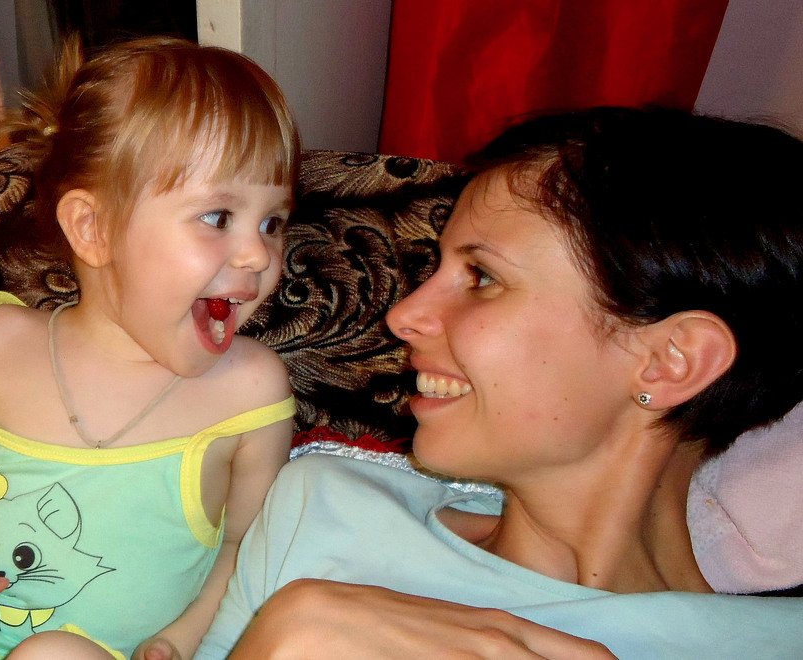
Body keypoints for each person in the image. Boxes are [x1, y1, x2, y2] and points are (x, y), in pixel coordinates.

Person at [196, 106, 803, 658]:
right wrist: (289, 633)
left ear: (670, 361)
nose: (403, 316)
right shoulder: (324, 506)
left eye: (481, 277)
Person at [0, 36, 300, 660]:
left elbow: (246, 547)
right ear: (92, 229)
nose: (258, 255)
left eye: (273, 222)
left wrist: (182, 638)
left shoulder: (248, 391)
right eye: (219, 217)